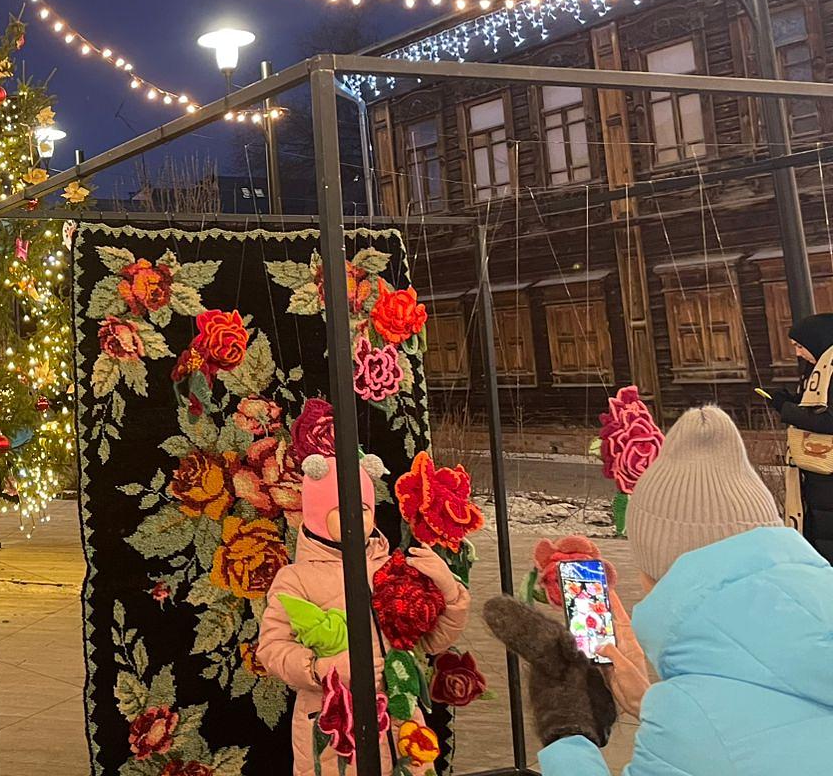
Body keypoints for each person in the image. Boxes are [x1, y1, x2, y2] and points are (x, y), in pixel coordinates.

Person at [486, 405, 833, 775]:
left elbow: (721, 739)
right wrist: (653, 704)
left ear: (657, 573)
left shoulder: (693, 728)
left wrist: (568, 735)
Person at [256, 451, 468, 775]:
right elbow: (272, 649)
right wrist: (323, 669)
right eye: (342, 511)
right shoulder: (296, 579)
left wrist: (447, 589)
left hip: (402, 723)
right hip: (336, 727)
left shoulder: (392, 567)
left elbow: (432, 640)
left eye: (364, 509)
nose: (356, 518)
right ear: (315, 514)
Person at [773, 314, 833, 562]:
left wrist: (786, 410)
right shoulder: (817, 370)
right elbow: (817, 408)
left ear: (816, 340)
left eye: (800, 346)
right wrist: (792, 402)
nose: (798, 353)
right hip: (819, 474)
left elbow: (829, 420)